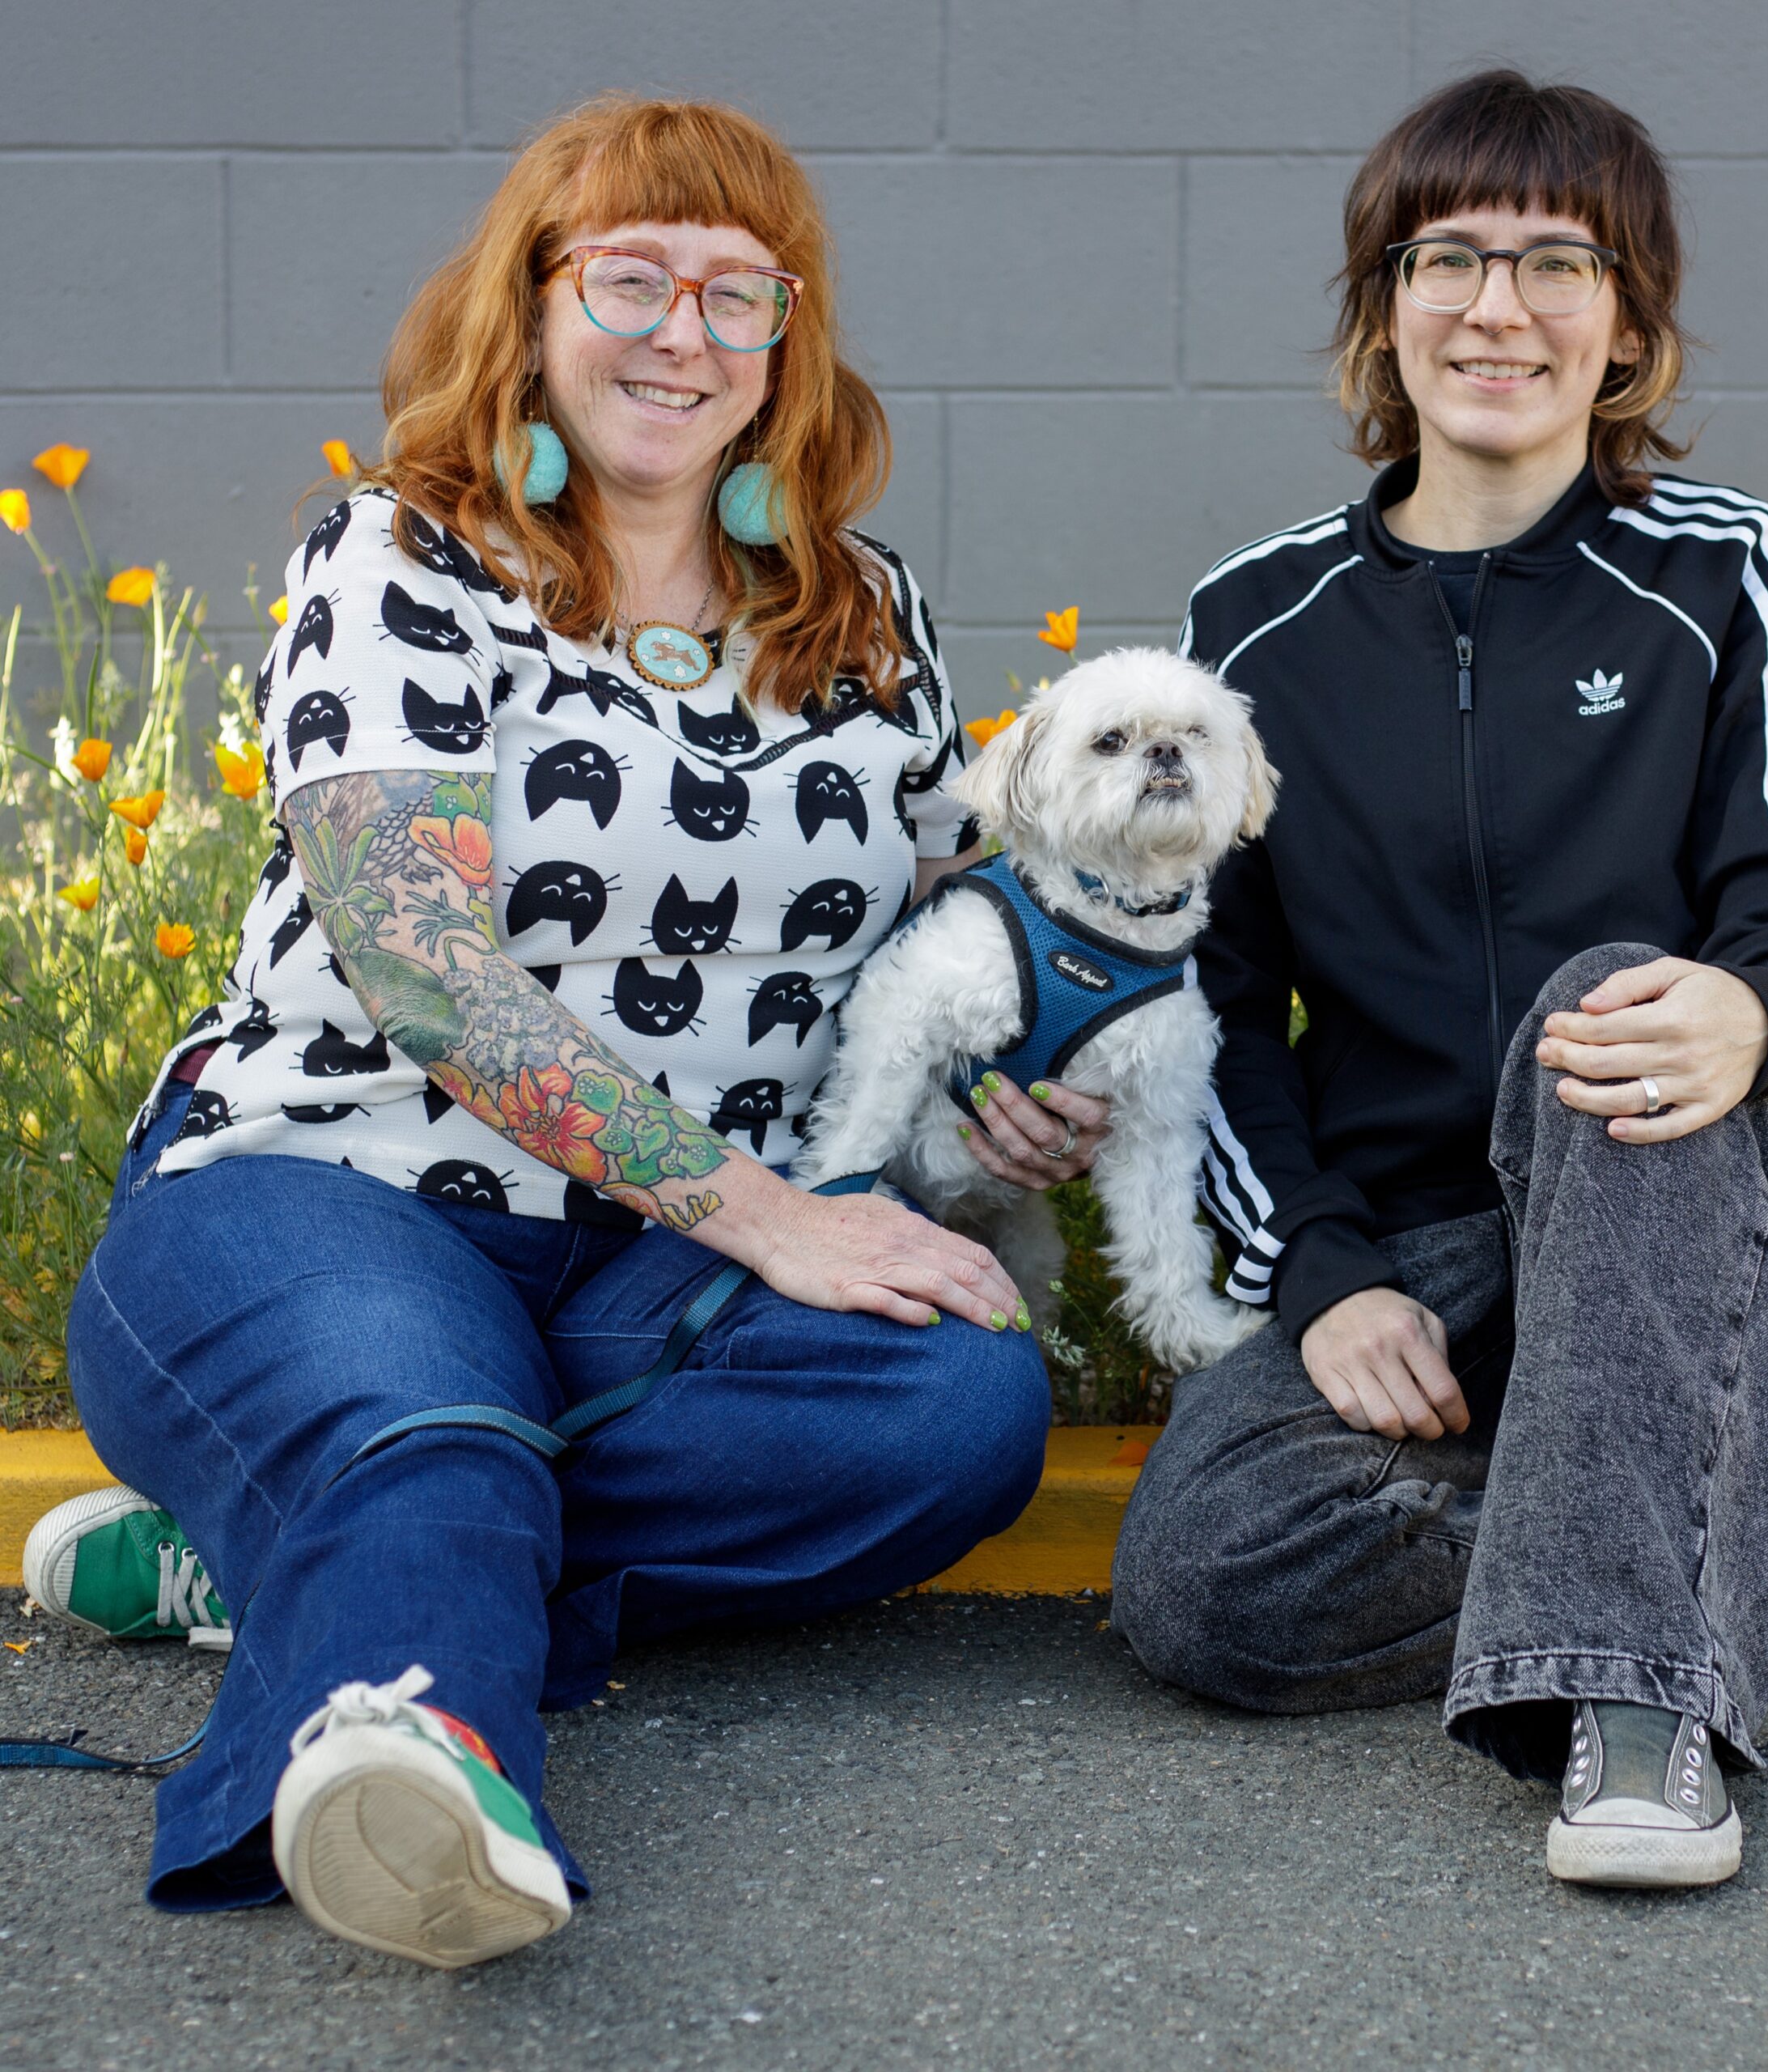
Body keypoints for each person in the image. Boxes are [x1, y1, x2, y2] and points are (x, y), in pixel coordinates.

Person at [23, 96, 1108, 1968]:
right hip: (333, 1190)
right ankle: (428, 1754)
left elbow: (954, 909)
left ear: (787, 343)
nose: (682, 335)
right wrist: (771, 1215)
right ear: (527, 309)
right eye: (629, 278)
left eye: (737, 296)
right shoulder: (403, 559)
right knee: (425, 1411)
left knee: (957, 1402)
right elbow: (422, 960)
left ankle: (271, 1556)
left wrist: (1017, 1071)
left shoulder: (862, 615)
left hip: (644, 1273)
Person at [1110, 70, 1768, 1890]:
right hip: (1423, 1259)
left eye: (1557, 261)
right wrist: (1324, 1270)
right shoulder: (1249, 624)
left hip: (1682, 1205)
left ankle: (1635, 1712)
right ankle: (1750, 1540)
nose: (1496, 305)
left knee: (1614, 997)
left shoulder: (1725, 571)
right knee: (1199, 1581)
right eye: (1446, 254)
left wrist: (1752, 1011)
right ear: (1385, 301)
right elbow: (1208, 1006)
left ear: (1626, 321)